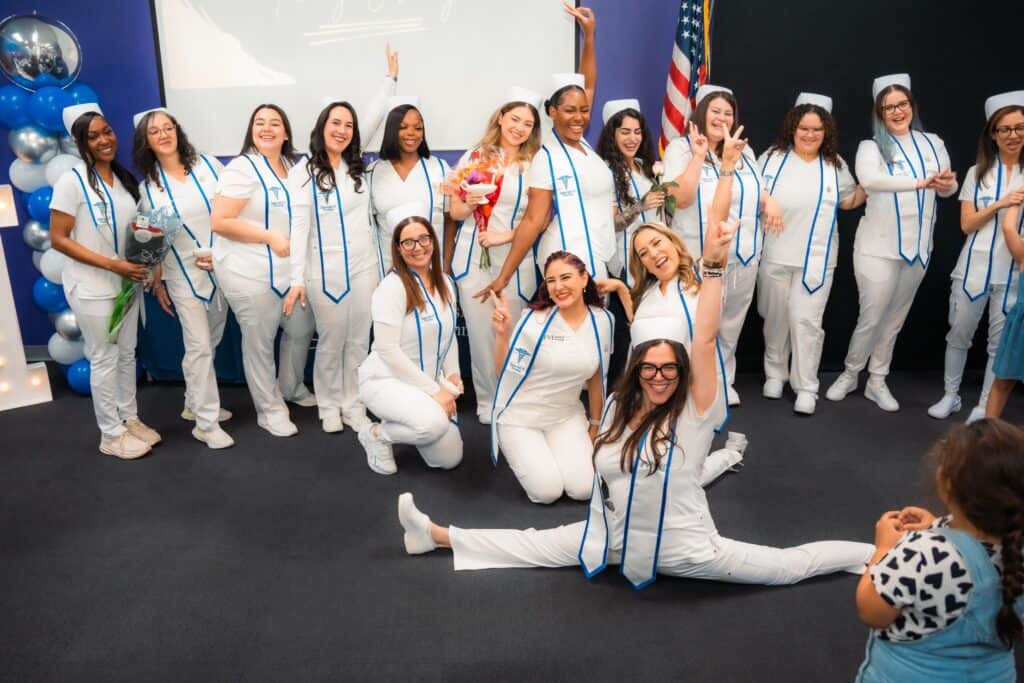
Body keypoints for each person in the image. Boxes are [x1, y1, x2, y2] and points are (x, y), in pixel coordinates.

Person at [397, 204, 871, 588]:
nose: (659, 376)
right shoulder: (622, 419)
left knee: (785, 568)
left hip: (687, 550)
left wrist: (713, 263)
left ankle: (872, 552)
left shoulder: (695, 412)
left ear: (682, 372)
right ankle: (435, 536)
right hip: (612, 539)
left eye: (669, 368)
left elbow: (703, 339)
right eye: (649, 368)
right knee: (535, 543)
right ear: (637, 371)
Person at [854, 419, 1024, 682]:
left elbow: (872, 611)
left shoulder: (923, 554)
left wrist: (884, 549)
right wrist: (936, 525)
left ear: (947, 485)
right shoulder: (1016, 549)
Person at [826, 74, 958, 412]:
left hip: (918, 249)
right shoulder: (871, 147)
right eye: (889, 107)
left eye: (902, 104)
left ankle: (877, 380)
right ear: (879, 113)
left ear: (912, 105)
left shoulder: (933, 143)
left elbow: (946, 190)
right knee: (871, 316)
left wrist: (945, 184)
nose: (897, 111)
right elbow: (870, 180)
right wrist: (919, 182)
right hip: (877, 248)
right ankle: (850, 372)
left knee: (895, 319)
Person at [284, 54, 399, 434]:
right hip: (324, 271)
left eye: (349, 125)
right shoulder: (304, 171)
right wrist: (296, 278)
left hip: (364, 267)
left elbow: (375, 116)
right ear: (322, 126)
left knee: (357, 338)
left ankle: (353, 402)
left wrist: (390, 78)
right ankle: (329, 405)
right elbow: (298, 228)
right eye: (336, 123)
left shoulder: (354, 166)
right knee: (331, 340)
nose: (344, 130)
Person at [662, 84, 785, 406]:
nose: (722, 117)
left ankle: (722, 381)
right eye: (715, 111)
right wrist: (699, 155)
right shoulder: (680, 149)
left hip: (743, 254)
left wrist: (770, 201)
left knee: (731, 323)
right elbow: (681, 198)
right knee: (699, 323)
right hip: (699, 254)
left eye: (728, 112)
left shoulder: (744, 151)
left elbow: (757, 190)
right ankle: (693, 385)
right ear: (701, 113)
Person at [474, 6, 609, 300]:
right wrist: (503, 277)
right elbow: (533, 221)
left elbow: (588, 85)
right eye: (570, 110)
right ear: (552, 113)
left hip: (595, 256)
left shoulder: (583, 145)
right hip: (565, 263)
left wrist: (588, 37)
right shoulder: (546, 153)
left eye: (584, 110)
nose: (579, 117)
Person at [48, 104, 159, 459]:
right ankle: (110, 435)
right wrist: (113, 265)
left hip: (126, 284)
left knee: (127, 354)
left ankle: (129, 418)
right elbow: (59, 239)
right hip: (93, 288)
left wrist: (148, 262)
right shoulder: (71, 181)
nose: (104, 140)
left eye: (107, 131)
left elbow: (140, 228)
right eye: (93, 136)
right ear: (80, 142)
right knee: (103, 357)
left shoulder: (124, 179)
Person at [209, 103, 315, 437]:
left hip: (289, 271)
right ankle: (269, 410)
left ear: (286, 133)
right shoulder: (242, 168)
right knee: (260, 341)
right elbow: (220, 221)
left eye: (274, 123)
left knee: (300, 329)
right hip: (248, 272)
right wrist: (268, 237)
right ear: (251, 130)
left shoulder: (293, 167)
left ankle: (290, 387)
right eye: (259, 123)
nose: (266, 128)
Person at [756, 93, 864, 415]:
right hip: (774, 255)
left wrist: (874, 184)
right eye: (804, 128)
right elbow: (750, 191)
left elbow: (847, 202)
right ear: (793, 128)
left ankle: (806, 387)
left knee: (806, 322)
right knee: (774, 319)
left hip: (815, 261)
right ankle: (775, 374)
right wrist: (766, 201)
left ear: (826, 132)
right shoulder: (772, 158)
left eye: (817, 129)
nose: (810, 135)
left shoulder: (836, 166)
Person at [132, 107, 233, 449]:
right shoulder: (149, 190)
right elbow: (153, 244)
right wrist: (156, 280)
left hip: (220, 264)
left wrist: (221, 254)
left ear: (178, 130)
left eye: (168, 127)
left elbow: (231, 210)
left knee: (214, 335)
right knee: (199, 346)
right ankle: (206, 422)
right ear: (146, 142)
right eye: (154, 131)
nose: (164, 134)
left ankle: (193, 403)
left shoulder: (207, 165)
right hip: (183, 275)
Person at [488, 251, 613, 503]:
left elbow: (597, 376)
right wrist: (503, 335)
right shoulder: (533, 321)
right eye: (551, 280)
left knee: (584, 489)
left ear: (584, 278)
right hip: (521, 418)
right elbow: (504, 374)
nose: (558, 287)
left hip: (565, 416)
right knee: (547, 492)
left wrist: (595, 425)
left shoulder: (603, 320)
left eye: (566, 277)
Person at [449, 87, 542, 423]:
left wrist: (507, 234)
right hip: (473, 256)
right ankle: (488, 400)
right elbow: (455, 211)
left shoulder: (535, 162)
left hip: (515, 258)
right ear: (501, 117)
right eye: (515, 118)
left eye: (528, 123)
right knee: (479, 330)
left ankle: (513, 397)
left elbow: (541, 216)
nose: (519, 127)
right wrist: (468, 203)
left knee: (513, 330)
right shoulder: (475, 157)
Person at [930, 91, 1024, 423]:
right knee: (958, 334)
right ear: (993, 135)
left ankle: (984, 405)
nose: (1013, 135)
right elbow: (967, 224)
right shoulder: (977, 173)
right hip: (973, 270)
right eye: (1005, 129)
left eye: (1019, 128)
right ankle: (950, 396)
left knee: (998, 345)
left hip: (1014, 273)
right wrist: (1001, 203)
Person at [357, 205, 462, 475]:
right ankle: (375, 434)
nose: (418, 247)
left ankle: (411, 417)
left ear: (433, 241)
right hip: (386, 380)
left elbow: (448, 336)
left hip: (425, 381)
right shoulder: (391, 288)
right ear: (398, 248)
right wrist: (435, 391)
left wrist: (452, 375)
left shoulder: (446, 283)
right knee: (432, 425)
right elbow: (387, 350)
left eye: (424, 238)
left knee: (449, 460)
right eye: (408, 241)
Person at [368, 99, 453, 277]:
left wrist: (445, 265)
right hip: (389, 270)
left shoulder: (439, 168)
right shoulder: (373, 172)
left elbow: (450, 220)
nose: (411, 133)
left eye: (418, 128)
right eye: (403, 127)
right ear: (391, 130)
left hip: (433, 269)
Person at [595, 99, 665, 286]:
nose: (632, 139)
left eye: (637, 132)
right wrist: (640, 206)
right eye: (625, 132)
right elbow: (610, 225)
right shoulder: (604, 172)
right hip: (629, 258)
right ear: (612, 135)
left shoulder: (646, 167)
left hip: (658, 255)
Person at [985, 200, 1024, 419]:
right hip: (1021, 326)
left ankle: (988, 436)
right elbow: (1009, 228)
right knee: (1003, 382)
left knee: (1002, 383)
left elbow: (1009, 228)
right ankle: (989, 437)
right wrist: (1016, 198)